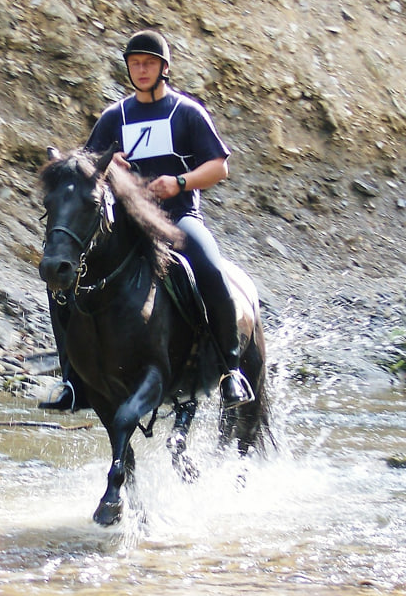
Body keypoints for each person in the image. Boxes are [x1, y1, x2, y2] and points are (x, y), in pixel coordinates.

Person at [40, 29, 254, 411]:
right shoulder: (114, 116)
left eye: (149, 63)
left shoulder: (186, 112)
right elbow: (87, 171)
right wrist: (111, 165)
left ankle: (230, 370)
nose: (141, 70)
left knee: (209, 267)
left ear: (163, 68)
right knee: (60, 282)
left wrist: (180, 182)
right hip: (124, 224)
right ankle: (72, 380)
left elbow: (219, 167)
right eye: (135, 63)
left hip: (177, 217)